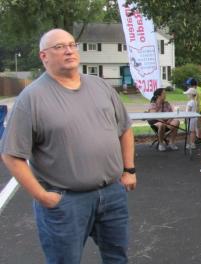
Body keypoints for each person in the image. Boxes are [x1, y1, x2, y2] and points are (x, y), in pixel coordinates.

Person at [0, 29, 137, 263]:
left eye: (72, 45)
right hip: (66, 202)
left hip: (112, 194)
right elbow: (11, 155)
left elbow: (125, 128)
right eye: (59, 47)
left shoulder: (101, 86)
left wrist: (129, 170)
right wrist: (42, 196)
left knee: (117, 257)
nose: (69, 50)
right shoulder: (31, 98)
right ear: (44, 56)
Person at [186, 77, 201, 145]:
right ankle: (199, 137)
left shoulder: (195, 91)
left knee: (198, 125)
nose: (188, 87)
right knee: (198, 125)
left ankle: (199, 138)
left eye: (189, 85)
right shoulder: (200, 88)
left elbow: (194, 101)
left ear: (193, 85)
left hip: (199, 110)